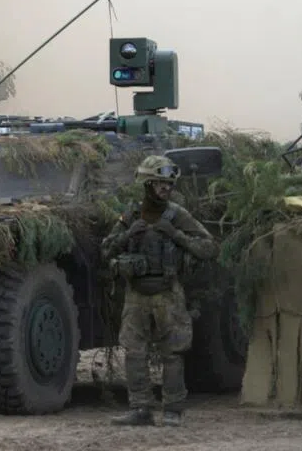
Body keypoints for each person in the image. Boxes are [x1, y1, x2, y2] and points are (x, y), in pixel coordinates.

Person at [101, 155, 218, 427]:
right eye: (160, 183)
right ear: (147, 184)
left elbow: (209, 247)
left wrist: (176, 235)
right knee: (134, 352)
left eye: (169, 184)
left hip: (168, 293)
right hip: (136, 293)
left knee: (173, 352)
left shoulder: (177, 215)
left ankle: (173, 410)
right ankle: (140, 408)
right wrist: (128, 234)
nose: (166, 188)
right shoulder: (131, 214)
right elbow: (106, 250)